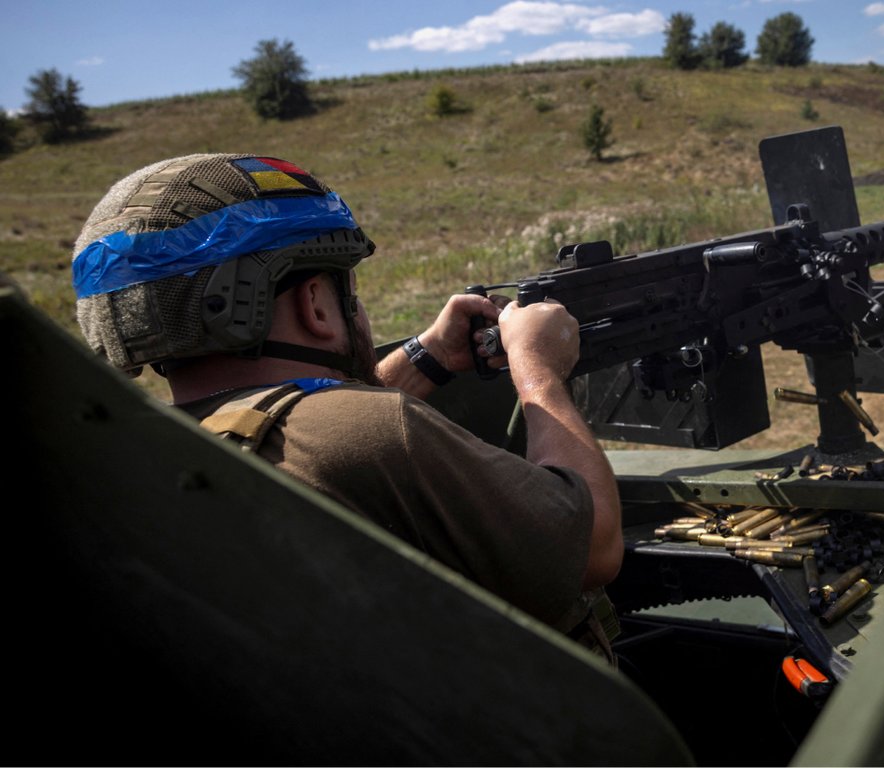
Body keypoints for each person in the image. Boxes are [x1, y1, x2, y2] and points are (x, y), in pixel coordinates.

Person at [70, 153, 622, 648]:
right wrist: (540, 371)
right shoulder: (381, 432)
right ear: (314, 301)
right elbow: (594, 547)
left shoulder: (150, 452)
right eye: (345, 287)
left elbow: (293, 418)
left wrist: (427, 356)